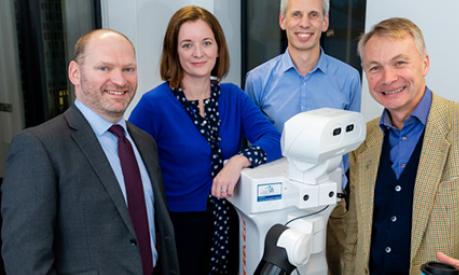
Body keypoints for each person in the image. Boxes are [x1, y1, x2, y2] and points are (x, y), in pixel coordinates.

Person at [327, 17, 459, 275]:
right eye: (375, 68)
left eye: (400, 63)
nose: (388, 78)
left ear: (424, 63)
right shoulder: (361, 140)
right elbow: (354, 237)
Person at [1, 29, 179, 275]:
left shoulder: (144, 143)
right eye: (104, 68)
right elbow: (25, 262)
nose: (119, 80)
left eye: (128, 69)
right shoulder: (38, 147)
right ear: (75, 73)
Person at [129, 6, 282, 275]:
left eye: (206, 43)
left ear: (219, 48)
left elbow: (274, 139)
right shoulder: (154, 105)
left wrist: (238, 161)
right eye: (187, 44)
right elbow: (131, 167)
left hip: (233, 220)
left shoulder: (233, 96)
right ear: (174, 52)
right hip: (180, 229)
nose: (198, 53)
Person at [244, 0, 361, 133]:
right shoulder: (257, 80)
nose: (305, 24)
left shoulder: (349, 79)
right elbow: (252, 141)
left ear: (325, 22)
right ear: (283, 21)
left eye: (313, 15)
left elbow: (351, 143)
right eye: (296, 14)